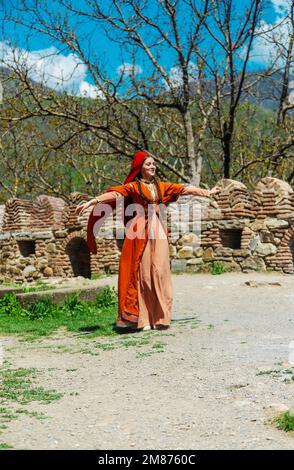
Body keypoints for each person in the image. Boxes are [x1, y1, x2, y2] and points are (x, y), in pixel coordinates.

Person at [75, 151, 221, 331]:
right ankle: (143, 319)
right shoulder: (133, 187)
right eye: (148, 164)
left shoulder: (162, 186)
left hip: (158, 229)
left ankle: (160, 317)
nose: (152, 167)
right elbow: (114, 195)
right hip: (139, 231)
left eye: (153, 164)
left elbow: (183, 189)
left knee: (160, 271)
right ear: (140, 168)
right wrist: (92, 202)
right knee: (143, 273)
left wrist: (207, 192)